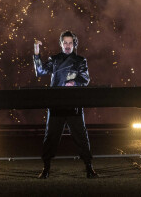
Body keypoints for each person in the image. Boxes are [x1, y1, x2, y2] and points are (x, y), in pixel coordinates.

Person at [33, 30, 99, 179]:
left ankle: (89, 167)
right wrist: (37, 53)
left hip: (74, 104)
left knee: (81, 136)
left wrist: (74, 82)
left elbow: (85, 79)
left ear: (74, 44)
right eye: (65, 42)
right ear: (61, 44)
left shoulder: (81, 61)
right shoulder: (54, 59)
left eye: (70, 43)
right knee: (50, 137)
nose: (68, 45)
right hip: (56, 104)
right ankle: (46, 169)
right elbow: (39, 71)